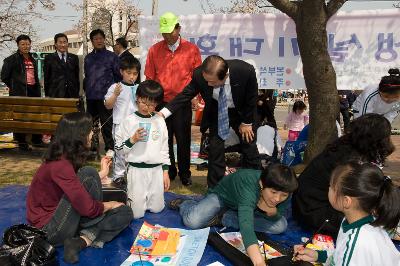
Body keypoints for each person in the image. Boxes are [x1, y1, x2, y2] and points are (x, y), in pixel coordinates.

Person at [26, 112, 133, 264]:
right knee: (89, 175)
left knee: (125, 211)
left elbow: (74, 185)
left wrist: (102, 173)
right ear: (79, 135)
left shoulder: (62, 157)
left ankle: (82, 241)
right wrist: (109, 205)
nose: (92, 134)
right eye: (89, 131)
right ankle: (91, 231)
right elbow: (87, 207)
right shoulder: (60, 164)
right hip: (49, 230)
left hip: (64, 220)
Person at [160, 55, 261, 188]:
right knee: (215, 148)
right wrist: (163, 113)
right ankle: (215, 188)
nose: (208, 84)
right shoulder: (199, 74)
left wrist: (247, 123)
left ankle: (253, 183)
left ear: (225, 76)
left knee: (249, 146)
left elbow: (251, 97)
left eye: (212, 82)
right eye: (206, 80)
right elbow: (186, 94)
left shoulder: (245, 71)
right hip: (218, 111)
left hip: (242, 113)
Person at [168, 164, 297, 266]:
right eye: (273, 192)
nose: (277, 199)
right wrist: (258, 262)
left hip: (244, 208)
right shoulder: (248, 185)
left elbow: (278, 214)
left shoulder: (285, 189)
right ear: (262, 184)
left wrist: (272, 211)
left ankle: (225, 217)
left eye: (283, 195)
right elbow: (246, 228)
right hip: (223, 198)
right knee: (193, 221)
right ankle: (185, 203)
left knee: (280, 225)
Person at [292, 114, 395, 236]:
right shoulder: (350, 160)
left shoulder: (347, 146)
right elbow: (358, 196)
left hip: (303, 204)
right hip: (312, 211)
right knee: (367, 224)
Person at [293, 162, 400, 265]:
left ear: (346, 201)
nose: (328, 189)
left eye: (331, 186)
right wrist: (318, 255)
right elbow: (342, 254)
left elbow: (350, 253)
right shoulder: (355, 221)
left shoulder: (358, 241)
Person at [145, 12, 202, 186]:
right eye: (164, 33)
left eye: (171, 32)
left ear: (178, 28)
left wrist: (194, 96)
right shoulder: (154, 50)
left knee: (183, 138)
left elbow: (197, 76)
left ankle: (185, 173)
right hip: (161, 102)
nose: (168, 36)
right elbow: (149, 78)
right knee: (164, 138)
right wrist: (151, 101)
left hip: (182, 101)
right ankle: (168, 171)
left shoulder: (191, 49)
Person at [115, 80, 170, 219]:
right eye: (144, 102)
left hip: (156, 170)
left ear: (157, 104)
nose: (147, 107)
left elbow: (164, 147)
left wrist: (165, 171)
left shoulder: (159, 120)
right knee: (135, 214)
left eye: (152, 104)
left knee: (157, 209)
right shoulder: (128, 121)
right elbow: (119, 150)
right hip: (136, 170)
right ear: (137, 98)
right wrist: (132, 140)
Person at [1, 34, 41, 150]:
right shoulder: (11, 60)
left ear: (30, 44)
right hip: (19, 92)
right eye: (22, 44)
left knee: (34, 116)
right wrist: (14, 86)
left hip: (33, 91)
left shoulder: (32, 58)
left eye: (27, 44)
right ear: (18, 45)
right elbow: (4, 77)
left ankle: (36, 140)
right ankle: (21, 143)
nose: (25, 46)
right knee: (20, 117)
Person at [104, 56, 141, 184]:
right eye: (128, 73)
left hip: (136, 125)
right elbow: (108, 105)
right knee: (120, 150)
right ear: (121, 72)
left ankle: (133, 174)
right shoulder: (115, 86)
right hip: (120, 125)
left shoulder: (139, 88)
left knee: (135, 150)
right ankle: (118, 176)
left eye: (135, 74)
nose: (132, 76)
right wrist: (115, 94)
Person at [84, 29, 121, 154]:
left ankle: (109, 147)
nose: (98, 41)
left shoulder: (112, 56)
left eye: (100, 38)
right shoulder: (88, 58)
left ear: (104, 39)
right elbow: (87, 75)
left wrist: (113, 92)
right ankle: (93, 147)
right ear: (92, 41)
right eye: (95, 39)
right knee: (92, 124)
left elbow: (118, 76)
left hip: (106, 97)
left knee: (107, 124)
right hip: (91, 96)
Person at [43, 33, 80, 98]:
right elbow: (47, 78)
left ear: (67, 43)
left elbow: (76, 77)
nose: (63, 45)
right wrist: (47, 95)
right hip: (55, 95)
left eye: (64, 42)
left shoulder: (74, 58)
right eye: (60, 42)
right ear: (55, 44)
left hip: (72, 94)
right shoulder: (49, 58)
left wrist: (77, 92)